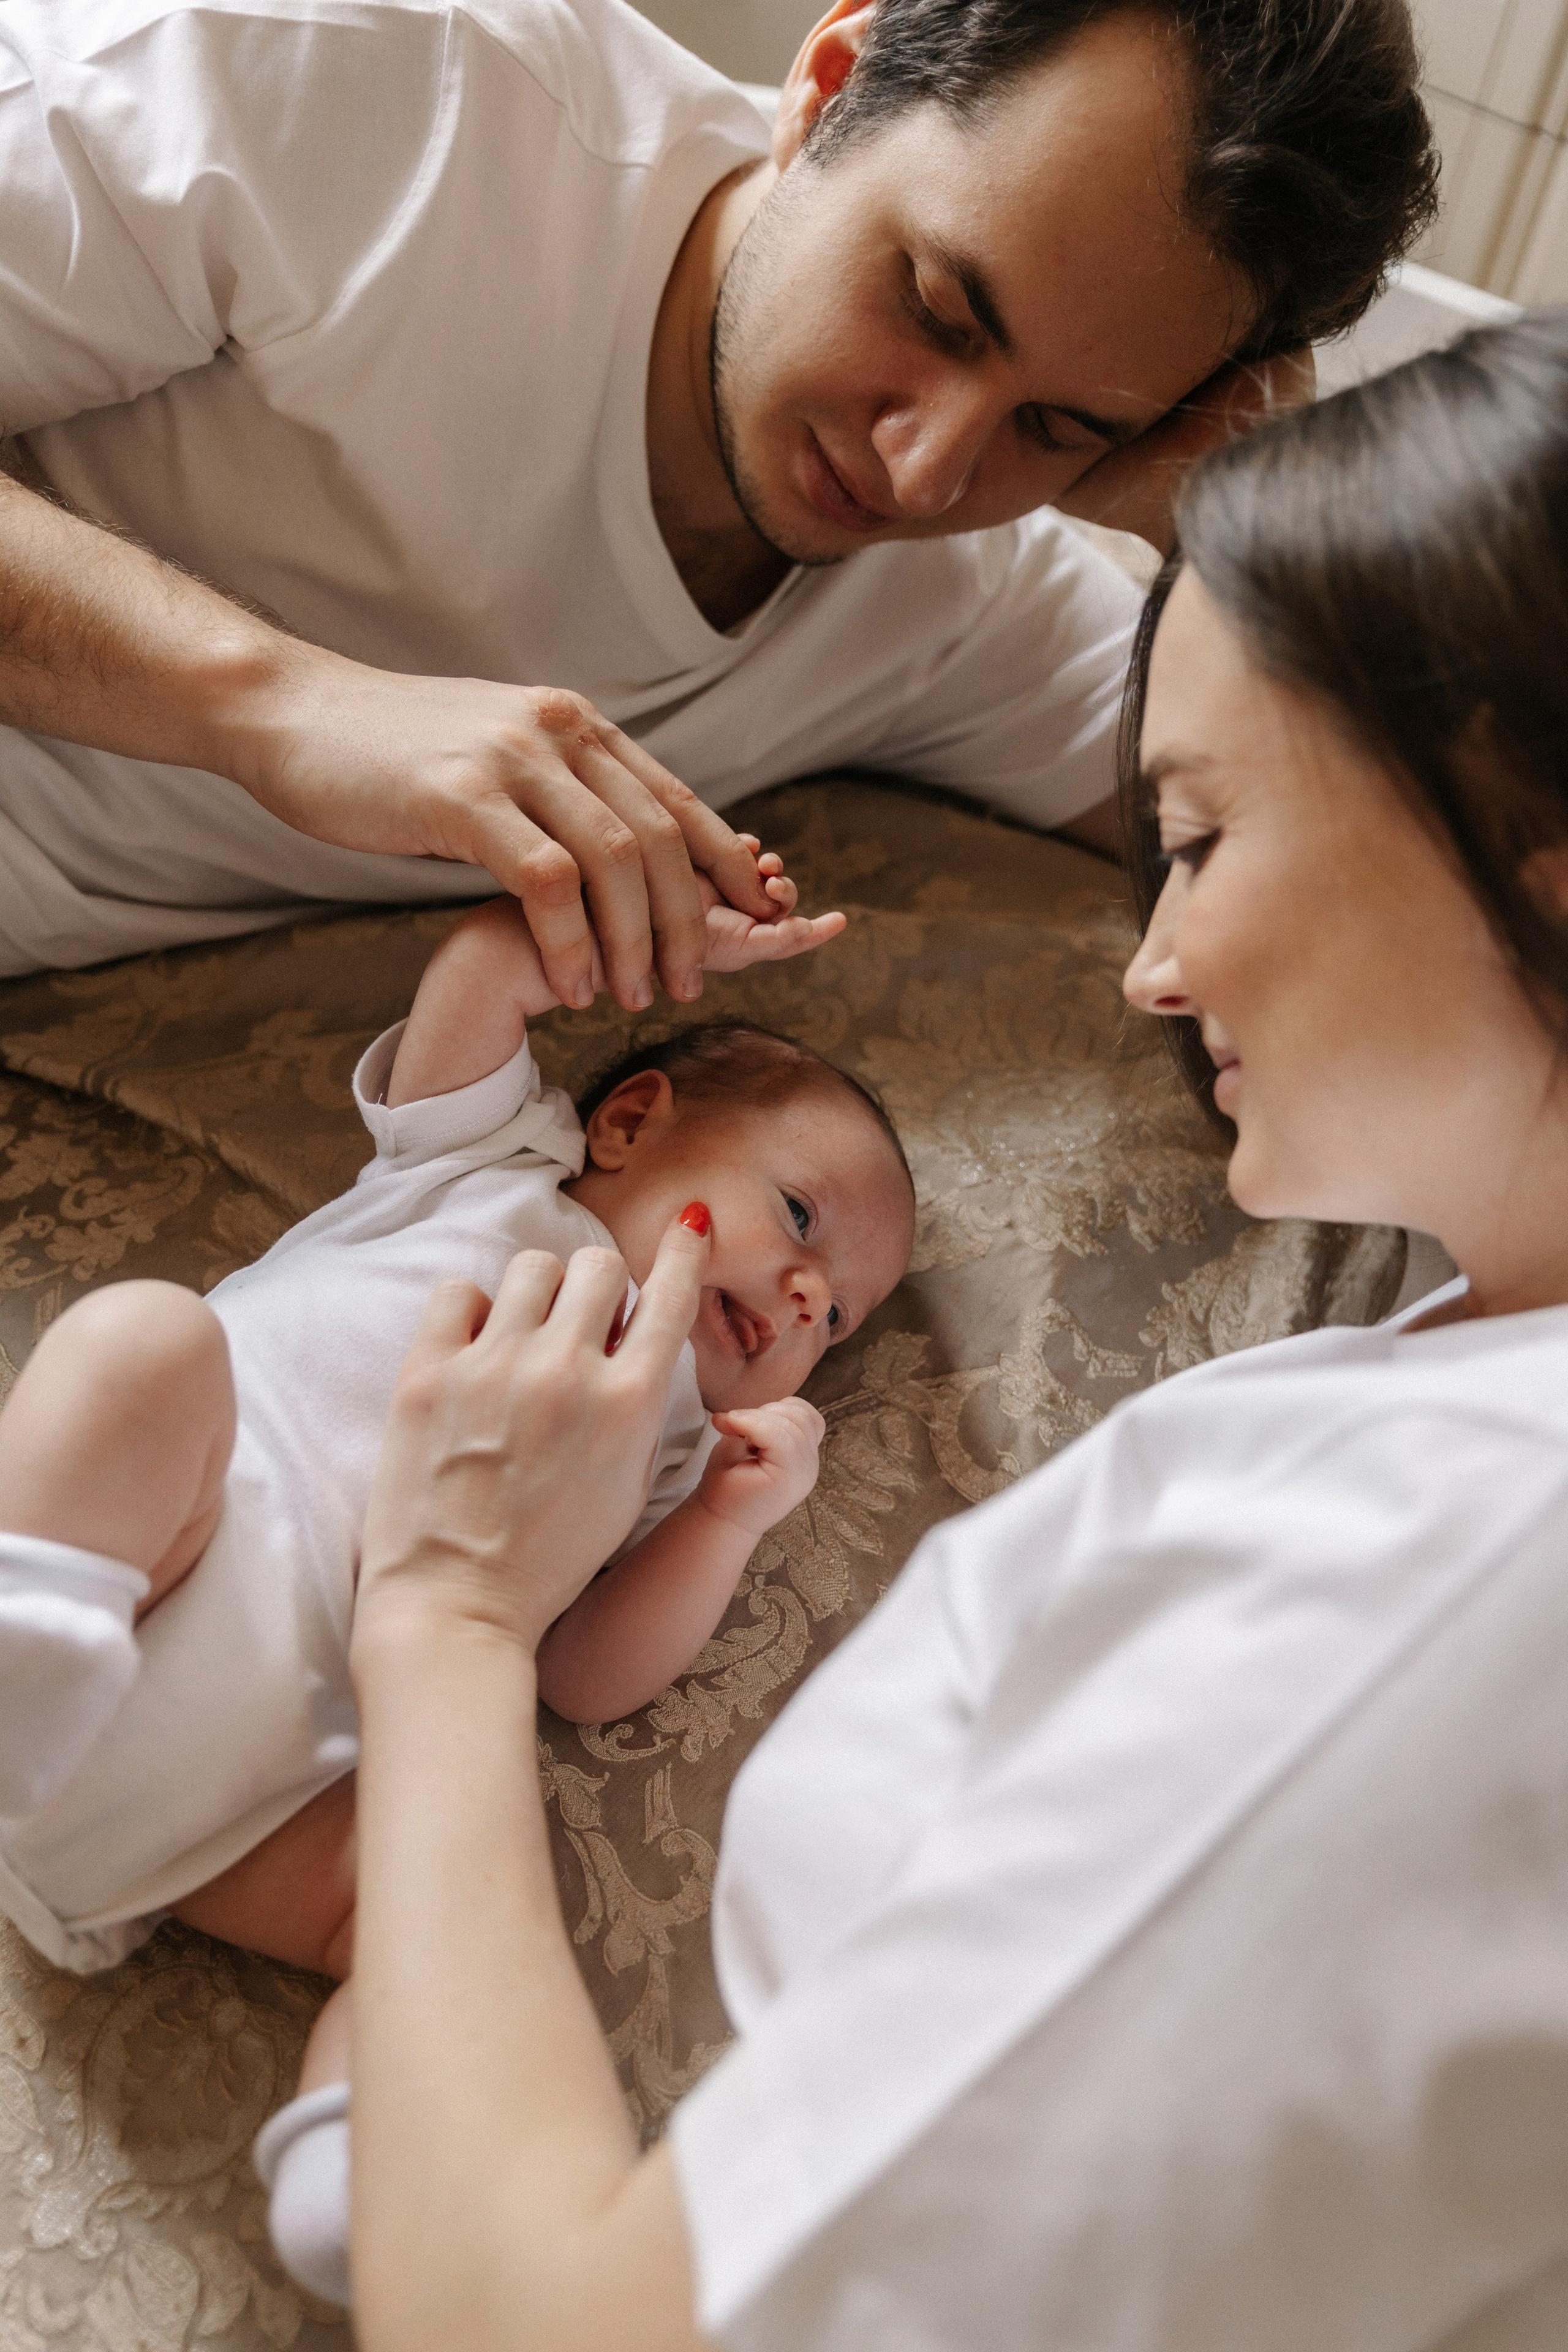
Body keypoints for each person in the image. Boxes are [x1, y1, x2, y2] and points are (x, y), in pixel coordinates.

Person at [240, 306, 1568, 2346]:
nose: (1152, 969)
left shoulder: (1452, 1570)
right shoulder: (1463, 1365)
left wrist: (445, 1609)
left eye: (1202, 839)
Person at [0, 0, 1434, 996]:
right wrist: (283, 706)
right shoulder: (374, 93)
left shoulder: (957, 603)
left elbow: (1384, 854)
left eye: (1059, 427)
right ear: (830, 86)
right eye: (936, 309)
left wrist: (1234, 526)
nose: (924, 471)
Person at [0, 844, 913, 2016]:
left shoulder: (678, 1444)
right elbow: (485, 971)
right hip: (167, 1548)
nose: (804, 1296)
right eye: (797, 1215)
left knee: (447, 1929)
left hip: (251, 1795)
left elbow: (585, 1680)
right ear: (631, 1122)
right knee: (143, 1343)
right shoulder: (490, 1165)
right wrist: (658, 930)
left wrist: (723, 1526)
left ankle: (355, 2123)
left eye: (834, 1319)